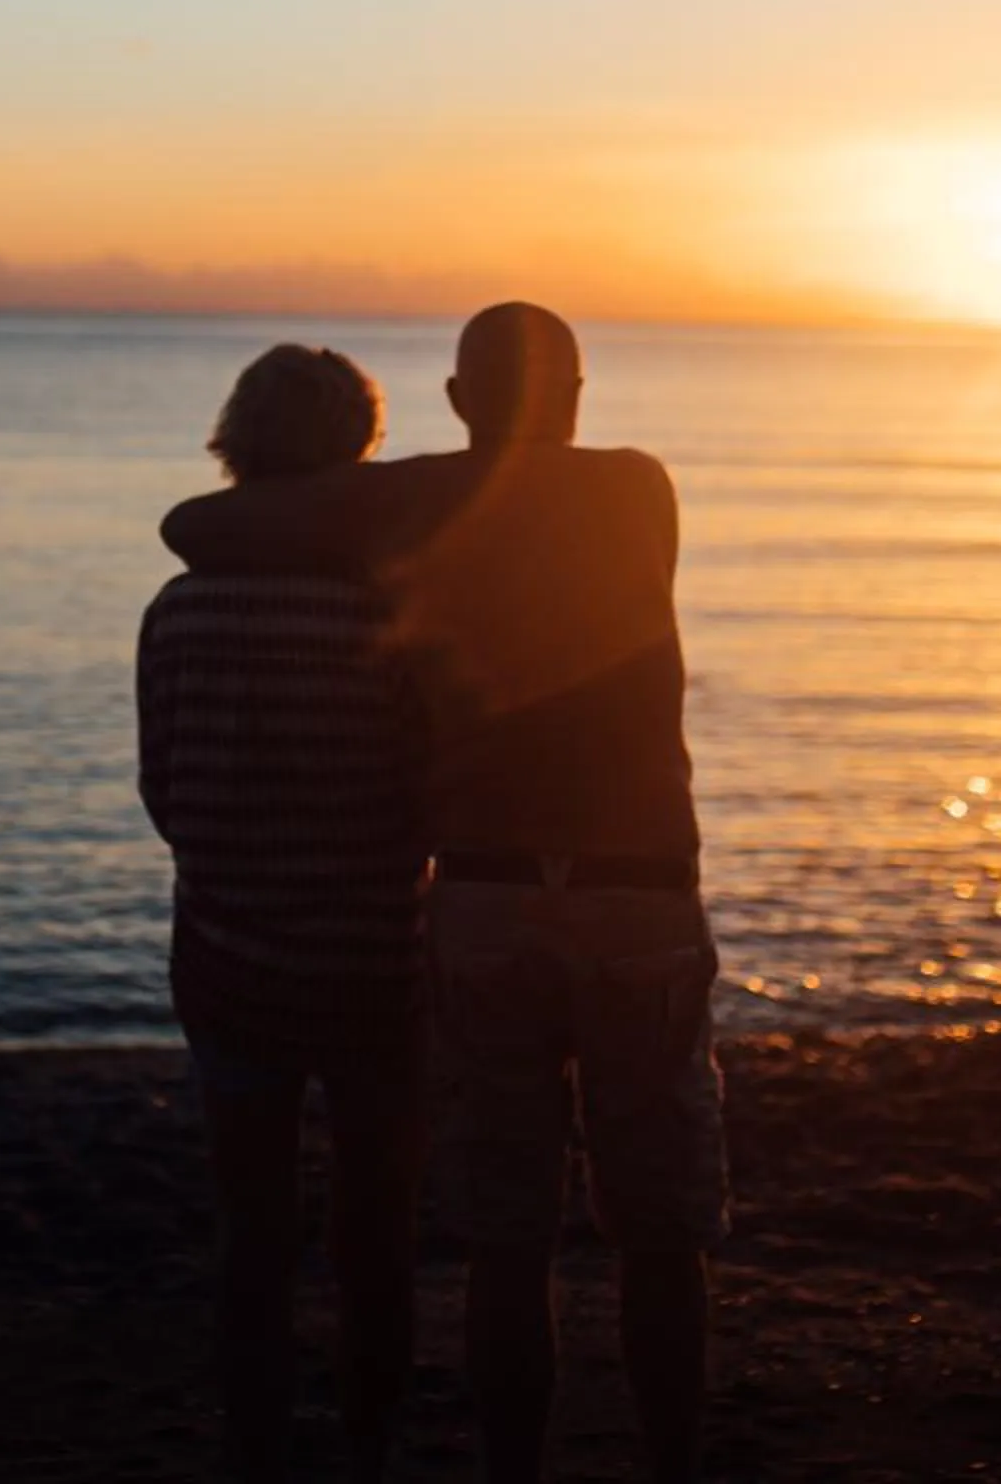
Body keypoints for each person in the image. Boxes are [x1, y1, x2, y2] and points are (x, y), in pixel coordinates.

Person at [161, 303, 726, 1484]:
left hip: (485, 900)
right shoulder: (640, 487)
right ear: (582, 392)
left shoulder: (421, 498)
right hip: (638, 897)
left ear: (460, 404)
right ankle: (672, 1464)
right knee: (660, 1232)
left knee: (506, 1241)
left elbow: (196, 523)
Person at [136, 343, 430, 1484]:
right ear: (357, 452)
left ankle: (254, 1444)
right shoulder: (388, 612)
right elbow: (427, 787)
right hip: (376, 961)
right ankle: (372, 1441)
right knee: (376, 1231)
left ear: (236, 441)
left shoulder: (176, 608)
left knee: (251, 1233)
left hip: (225, 955)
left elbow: (167, 792)